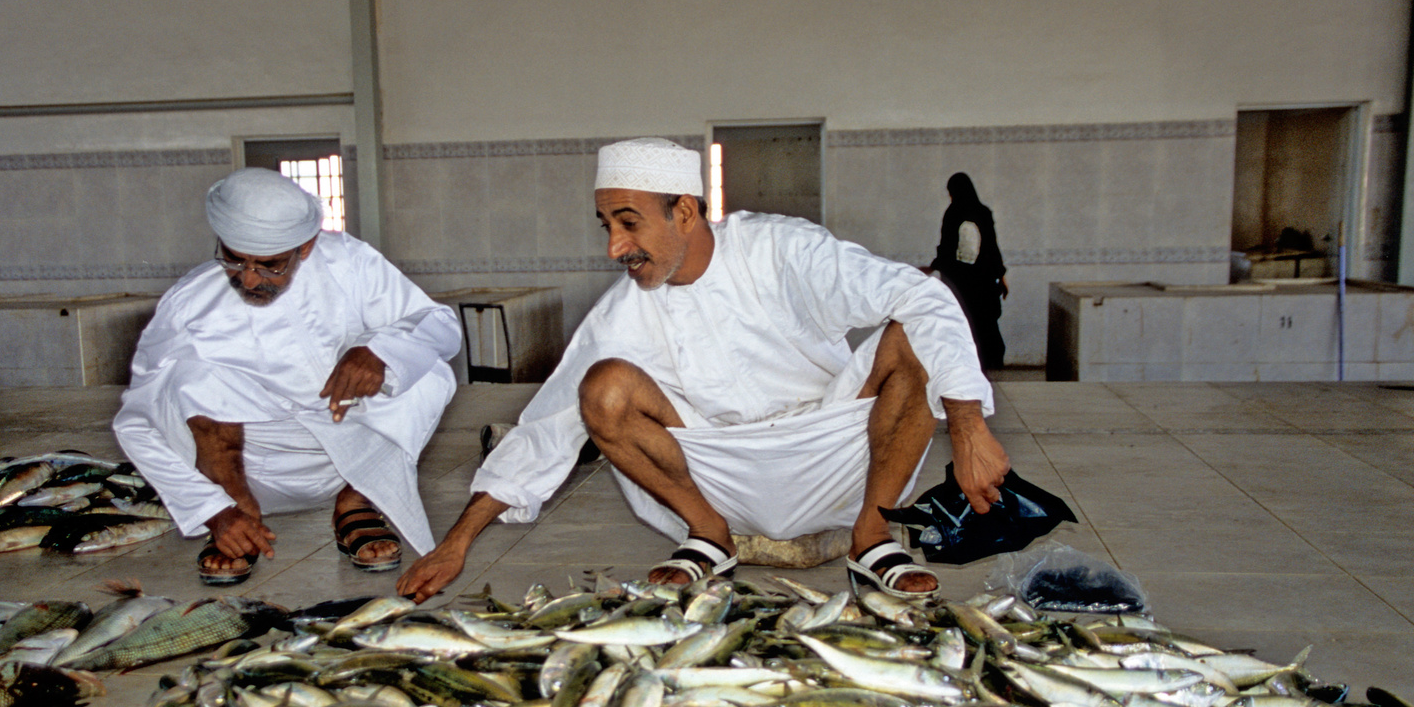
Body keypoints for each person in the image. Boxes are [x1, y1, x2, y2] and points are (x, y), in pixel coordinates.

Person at [397, 137, 1009, 603]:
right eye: (607, 225)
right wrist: (458, 543)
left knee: (909, 333)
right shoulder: (623, 310)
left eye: (628, 222)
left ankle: (871, 538)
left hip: (832, 452)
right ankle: (709, 538)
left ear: (685, 212)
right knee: (601, 388)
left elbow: (925, 296)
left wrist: (969, 428)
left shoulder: (780, 250)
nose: (615, 246)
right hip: (720, 474)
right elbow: (547, 426)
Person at [114, 167, 460, 586]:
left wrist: (378, 352)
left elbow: (440, 325)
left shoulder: (350, 262)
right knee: (185, 377)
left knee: (426, 372)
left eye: (270, 265)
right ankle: (238, 516)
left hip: (354, 446)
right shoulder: (190, 303)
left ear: (307, 246)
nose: (249, 278)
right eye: (234, 258)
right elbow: (137, 420)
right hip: (255, 464)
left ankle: (358, 502)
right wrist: (211, 509)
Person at [930, 172, 1008, 370]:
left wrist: (936, 266)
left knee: (963, 322)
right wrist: (1000, 276)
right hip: (983, 281)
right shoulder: (983, 212)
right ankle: (991, 363)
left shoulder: (953, 213)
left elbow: (947, 246)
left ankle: (966, 365)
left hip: (960, 282)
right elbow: (992, 247)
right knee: (986, 322)